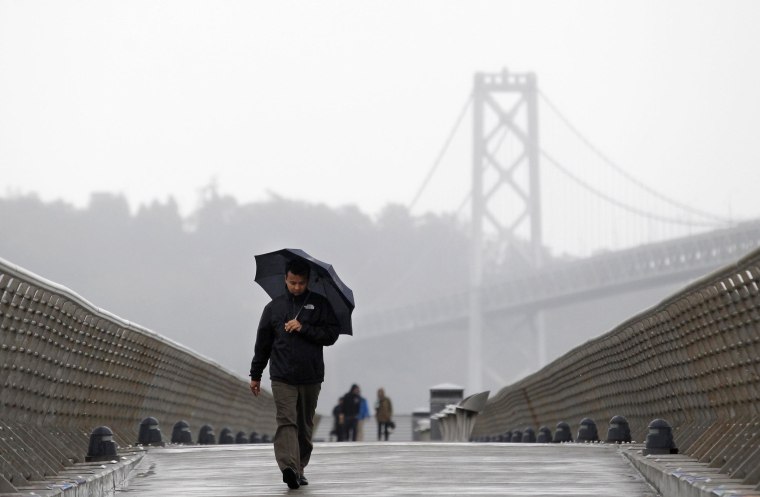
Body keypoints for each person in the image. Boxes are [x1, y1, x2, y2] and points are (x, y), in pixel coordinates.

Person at [250, 258, 340, 489]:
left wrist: (303, 328)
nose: (297, 287)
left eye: (300, 283)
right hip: (282, 376)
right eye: (292, 282)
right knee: (286, 421)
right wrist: (256, 374)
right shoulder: (274, 308)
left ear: (307, 281)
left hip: (311, 376)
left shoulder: (320, 304)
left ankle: (299, 467)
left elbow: (330, 336)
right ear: (285, 280)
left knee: (304, 424)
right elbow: (263, 344)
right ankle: (288, 467)